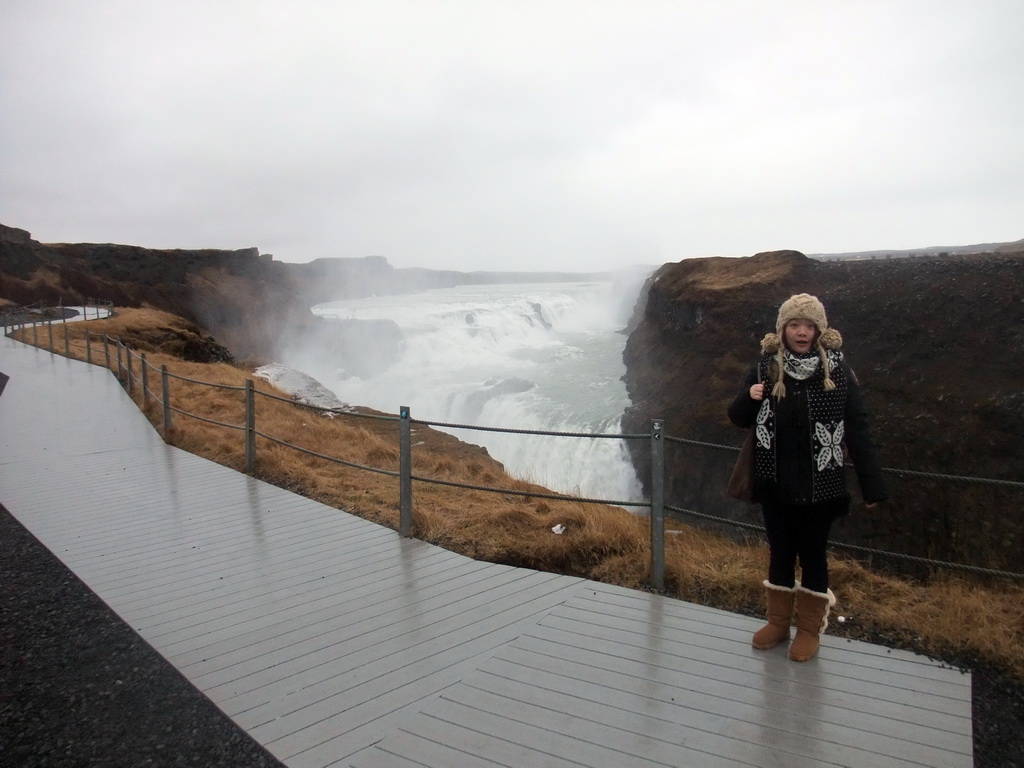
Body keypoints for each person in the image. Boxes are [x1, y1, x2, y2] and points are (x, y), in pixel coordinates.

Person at [728, 293, 887, 661]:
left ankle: (809, 631)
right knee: (780, 553)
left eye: (809, 325)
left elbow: (858, 428)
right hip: (775, 481)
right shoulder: (765, 367)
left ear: (820, 330)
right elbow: (737, 417)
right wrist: (749, 398)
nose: (801, 332)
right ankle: (778, 623)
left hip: (822, 485)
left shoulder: (838, 370)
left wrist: (872, 485)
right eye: (794, 325)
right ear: (782, 329)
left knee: (814, 556)